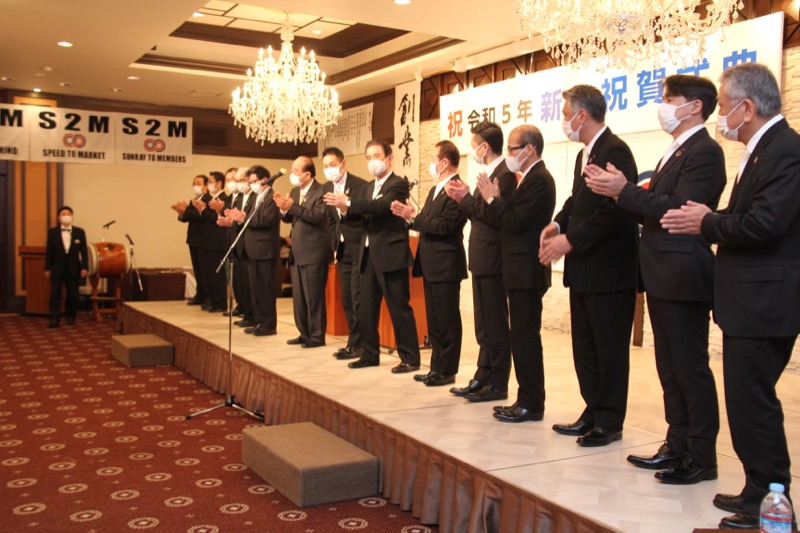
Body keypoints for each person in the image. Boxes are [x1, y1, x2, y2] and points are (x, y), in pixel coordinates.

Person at [660, 62, 800, 530]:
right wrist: (712, 218)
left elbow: (764, 224)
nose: (721, 116)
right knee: (745, 401)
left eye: (723, 106)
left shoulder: (785, 150)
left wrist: (706, 221)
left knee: (754, 404)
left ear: (747, 107)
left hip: (764, 302)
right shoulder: (763, 150)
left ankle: (771, 501)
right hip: (749, 300)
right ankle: (757, 489)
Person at [585, 74, 725, 484]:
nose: (663, 107)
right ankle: (676, 444)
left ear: (694, 106)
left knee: (689, 369)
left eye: (669, 99)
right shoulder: (676, 149)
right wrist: (618, 193)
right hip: (662, 272)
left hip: (683, 272)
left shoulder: (706, 151)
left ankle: (701, 457)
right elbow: (652, 208)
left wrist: (624, 190)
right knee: (669, 368)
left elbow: (677, 208)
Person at [541, 84, 638, 446]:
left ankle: (609, 421)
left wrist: (570, 240)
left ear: (582, 115)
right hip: (584, 270)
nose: (564, 120)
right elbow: (577, 200)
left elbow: (611, 212)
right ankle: (593, 410)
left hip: (608, 271)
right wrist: (558, 224)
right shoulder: (586, 153)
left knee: (609, 350)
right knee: (585, 349)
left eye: (566, 114)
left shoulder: (615, 151)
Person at [452, 124, 555, 421]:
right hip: (517, 269)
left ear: (529, 149)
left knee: (524, 338)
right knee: (519, 337)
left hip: (526, 269)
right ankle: (525, 399)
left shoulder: (539, 179)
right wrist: (490, 200)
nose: (509, 153)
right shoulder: (529, 178)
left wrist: (492, 199)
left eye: (512, 148)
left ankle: (529, 401)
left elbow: (513, 221)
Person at [323, 139, 421, 374]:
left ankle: (410, 357)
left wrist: (349, 202)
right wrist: (345, 208)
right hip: (366, 255)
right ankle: (369, 354)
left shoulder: (398, 184)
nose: (372, 161)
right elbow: (360, 213)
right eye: (368, 158)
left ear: (389, 158)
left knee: (399, 308)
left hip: (391, 255)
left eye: (376, 156)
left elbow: (382, 206)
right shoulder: (366, 188)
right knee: (365, 308)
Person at [445, 121, 515, 402]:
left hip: (494, 258)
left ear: (485, 147)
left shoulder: (505, 175)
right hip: (480, 257)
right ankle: (482, 375)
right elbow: (479, 212)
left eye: (474, 146)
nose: (472, 151)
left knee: (496, 323)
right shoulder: (488, 173)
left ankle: (498, 382)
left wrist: (466, 199)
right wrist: (464, 199)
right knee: (483, 324)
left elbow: (495, 216)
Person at [392, 140, 467, 386]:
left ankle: (447, 370)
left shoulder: (457, 189)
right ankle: (436, 367)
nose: (431, 164)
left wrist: (414, 217)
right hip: (430, 262)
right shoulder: (436, 189)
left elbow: (444, 226)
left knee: (447, 320)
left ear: (445, 162)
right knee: (434, 321)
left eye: (434, 159)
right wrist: (410, 217)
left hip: (446, 263)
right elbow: (425, 220)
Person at [274, 156, 331, 348]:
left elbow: (317, 216)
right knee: (299, 297)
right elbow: (290, 218)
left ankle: (316, 336)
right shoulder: (295, 191)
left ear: (307, 174)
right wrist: (283, 209)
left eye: (295, 171)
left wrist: (292, 207)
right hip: (297, 251)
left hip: (315, 251)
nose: (292, 174)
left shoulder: (322, 190)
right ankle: (304, 332)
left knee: (314, 296)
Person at [321, 147, 367, 360]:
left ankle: (359, 344)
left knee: (358, 298)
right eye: (325, 166)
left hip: (358, 247)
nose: (329, 169)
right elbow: (331, 220)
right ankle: (353, 341)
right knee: (347, 298)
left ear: (343, 163)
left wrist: (346, 207)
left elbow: (364, 215)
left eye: (332, 164)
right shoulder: (326, 187)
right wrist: (334, 244)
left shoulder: (360, 185)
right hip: (341, 249)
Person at [228, 166, 280, 337]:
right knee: (255, 290)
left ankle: (268, 324)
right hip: (252, 250)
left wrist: (244, 218)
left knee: (265, 290)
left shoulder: (272, 197)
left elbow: (267, 220)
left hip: (265, 250)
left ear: (265, 179)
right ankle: (259, 321)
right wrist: (239, 218)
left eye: (254, 181)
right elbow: (249, 220)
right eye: (250, 182)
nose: (252, 185)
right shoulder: (257, 197)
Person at [44, 206, 88, 328]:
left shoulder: (80, 232)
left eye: (68, 213)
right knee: (55, 293)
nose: (66, 216)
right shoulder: (52, 232)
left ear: (72, 216)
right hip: (57, 268)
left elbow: (84, 251)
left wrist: (85, 267)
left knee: (73, 293)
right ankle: (54, 318)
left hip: (74, 268)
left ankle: (71, 316)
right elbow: (49, 251)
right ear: (59, 218)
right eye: (63, 214)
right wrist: (47, 268)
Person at [171, 175, 210, 308]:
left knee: (204, 271)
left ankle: (207, 296)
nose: (195, 186)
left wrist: (186, 210)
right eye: (194, 184)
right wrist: (181, 212)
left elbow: (201, 217)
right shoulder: (193, 200)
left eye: (198, 183)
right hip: (193, 239)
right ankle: (199, 295)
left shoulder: (208, 200)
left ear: (205, 186)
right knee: (197, 270)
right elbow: (187, 218)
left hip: (203, 240)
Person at [201, 171, 230, 313]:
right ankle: (213, 301)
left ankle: (220, 303)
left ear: (218, 184)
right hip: (209, 241)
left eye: (210, 182)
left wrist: (202, 210)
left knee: (218, 275)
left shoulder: (224, 199)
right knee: (210, 274)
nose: (209, 185)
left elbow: (217, 219)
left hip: (218, 242)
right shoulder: (212, 198)